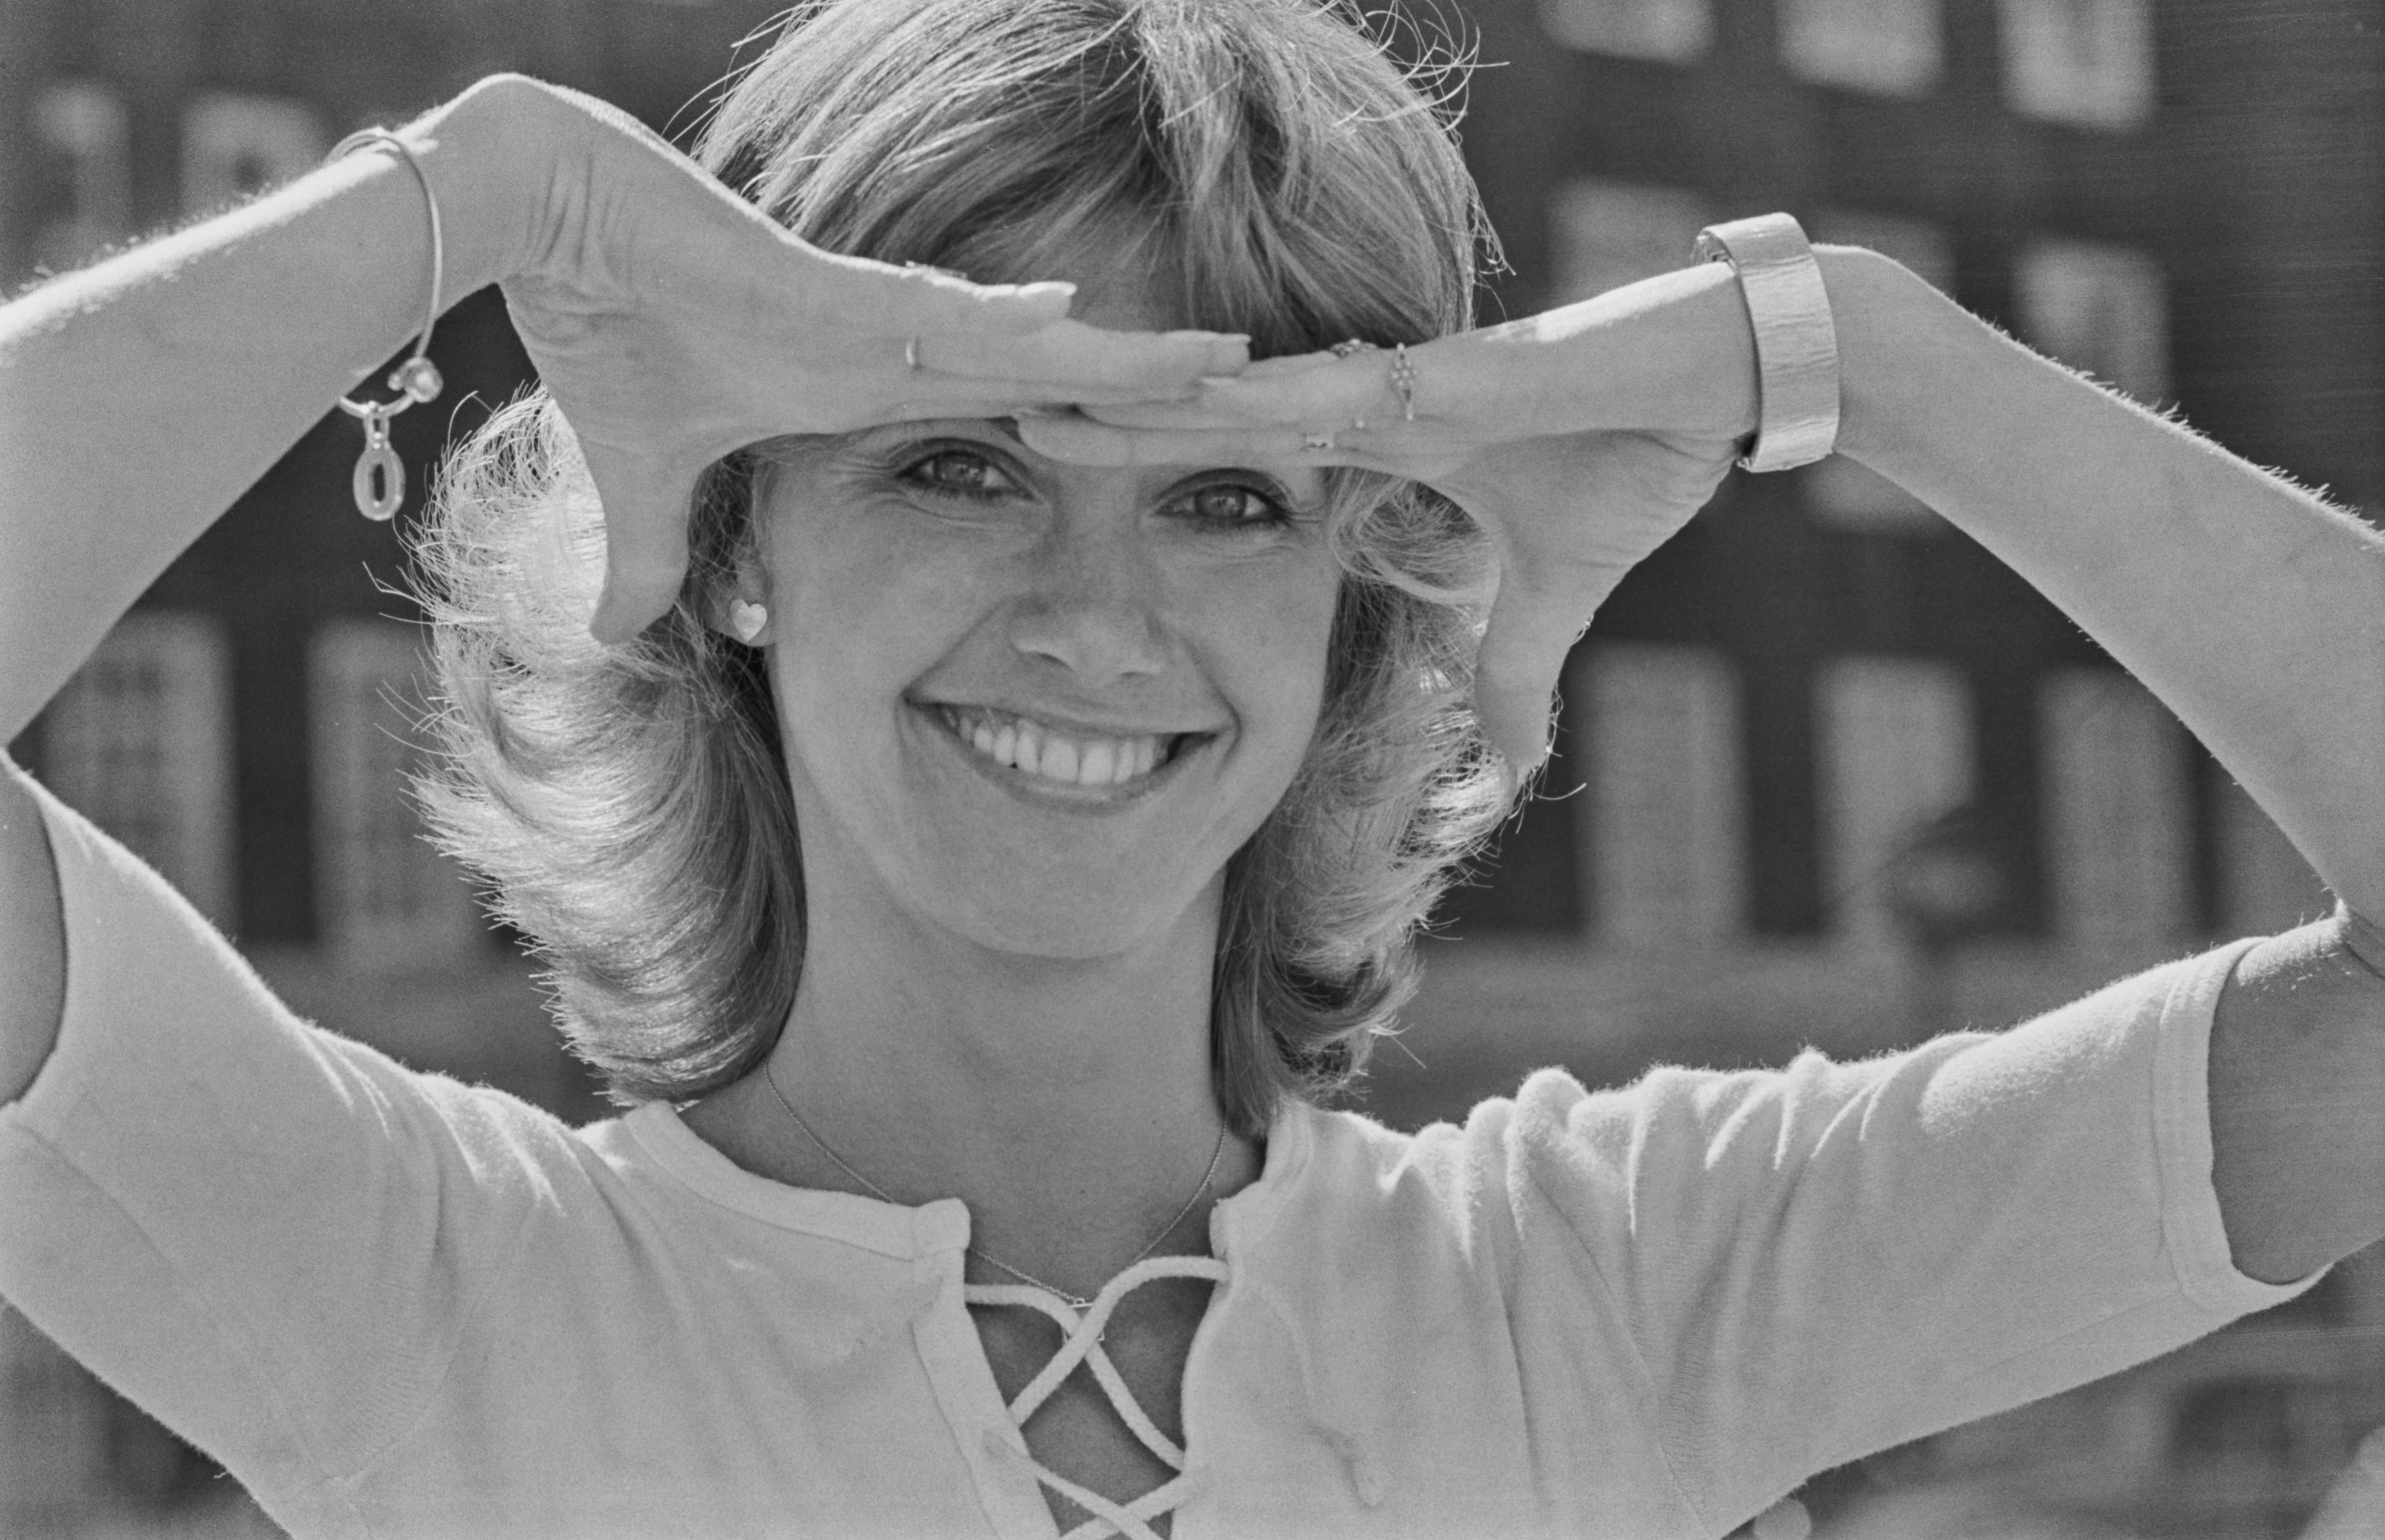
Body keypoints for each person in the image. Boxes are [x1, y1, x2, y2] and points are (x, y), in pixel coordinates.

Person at [0, 1, 2379, 1536]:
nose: (1096, 616)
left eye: (1229, 498)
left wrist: (1854, 346)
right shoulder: (409, 1278)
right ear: (723, 547)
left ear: (1356, 607)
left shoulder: (1629, 1280)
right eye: (956, 464)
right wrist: (497, 193)